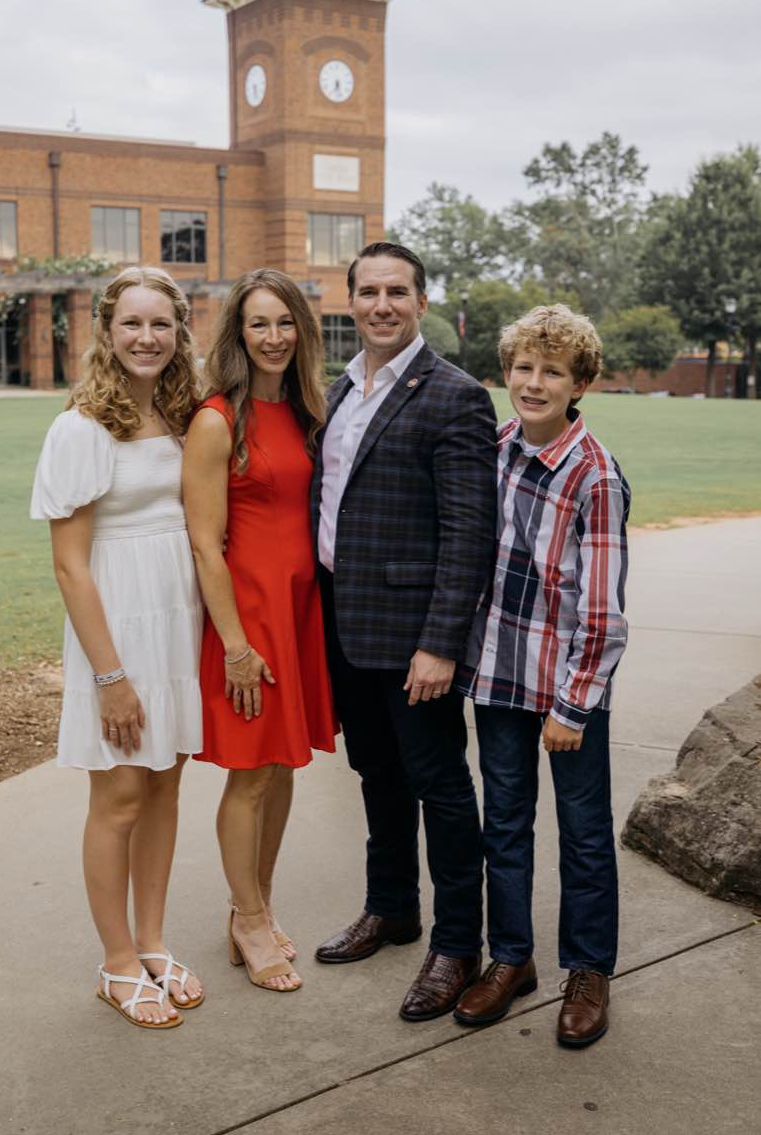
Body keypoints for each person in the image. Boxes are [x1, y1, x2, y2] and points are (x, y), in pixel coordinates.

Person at [312, 240, 498, 1022]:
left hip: (414, 640)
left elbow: (468, 534)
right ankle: (390, 909)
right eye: (368, 291)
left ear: (420, 302)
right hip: (344, 626)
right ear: (348, 301)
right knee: (375, 778)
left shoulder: (453, 395)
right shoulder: (337, 390)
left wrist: (440, 643)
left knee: (442, 789)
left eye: (397, 291)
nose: (381, 304)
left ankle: (457, 946)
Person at [30, 267, 204, 1030]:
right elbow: (69, 563)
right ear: (106, 331)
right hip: (118, 629)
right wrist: (110, 676)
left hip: (179, 618)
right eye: (131, 324)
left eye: (159, 324)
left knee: (165, 786)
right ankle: (115, 962)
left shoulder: (182, 410)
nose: (146, 338)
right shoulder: (80, 426)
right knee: (122, 794)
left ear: (179, 331)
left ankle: (153, 941)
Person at [453, 304, 630, 1047]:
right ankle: (511, 958)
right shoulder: (491, 448)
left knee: (584, 833)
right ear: (506, 374)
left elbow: (601, 610)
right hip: (498, 677)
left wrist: (574, 704)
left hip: (565, 691)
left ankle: (587, 969)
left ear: (579, 382)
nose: (533, 382)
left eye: (551, 371)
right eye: (523, 368)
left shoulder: (593, 476)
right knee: (506, 825)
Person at [182, 268, 336, 994]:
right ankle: (246, 919)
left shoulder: (306, 409)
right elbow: (204, 543)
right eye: (258, 324)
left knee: (279, 771)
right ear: (238, 334)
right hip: (248, 620)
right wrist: (236, 648)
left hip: (298, 613)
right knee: (249, 776)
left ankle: (257, 904)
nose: (272, 337)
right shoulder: (217, 420)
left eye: (284, 323)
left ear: (301, 331)